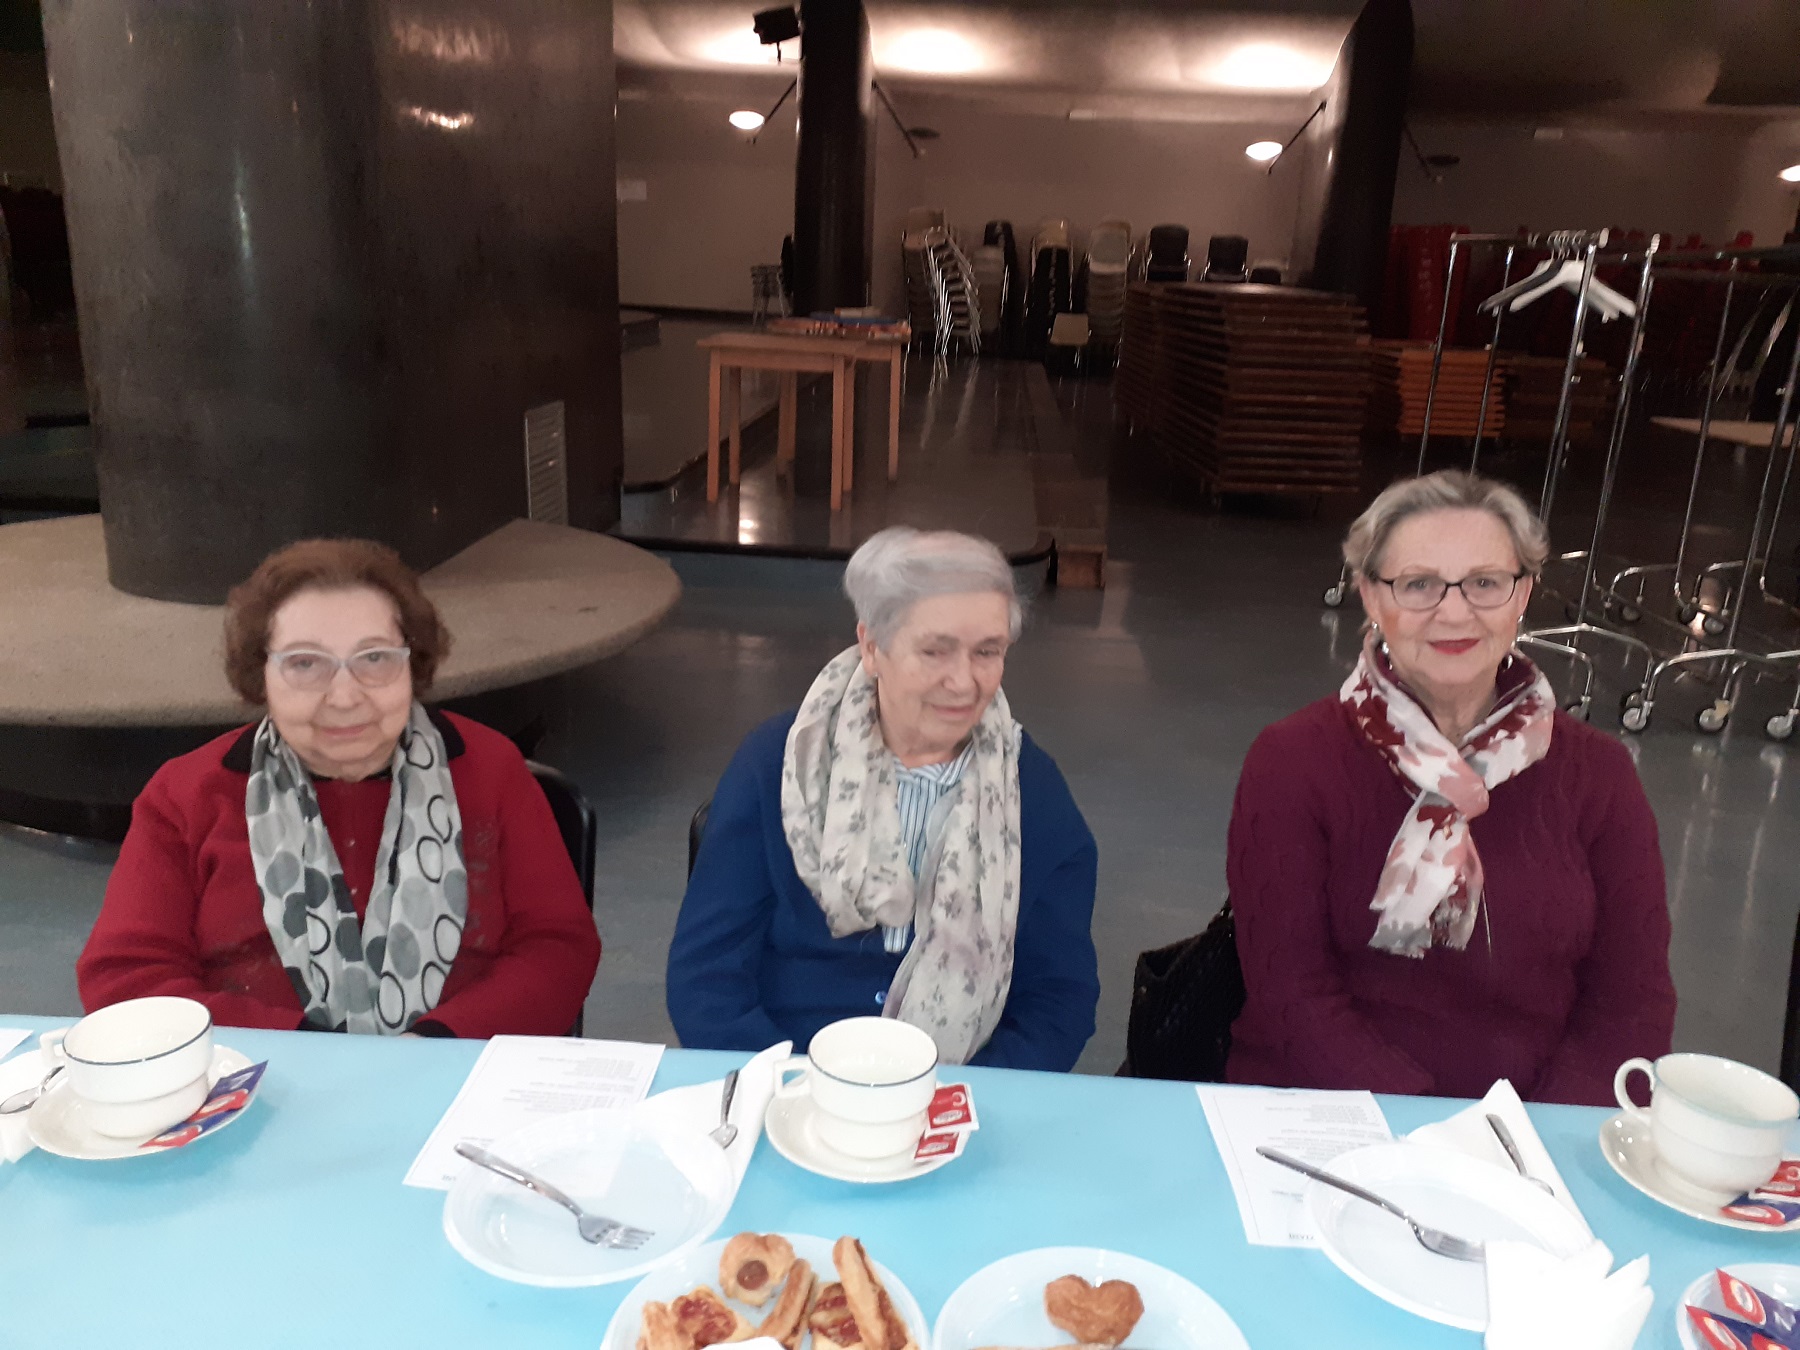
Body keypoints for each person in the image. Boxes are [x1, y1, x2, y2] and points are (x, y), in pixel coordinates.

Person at [1226, 470, 1676, 1106]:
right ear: (1370, 595)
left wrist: (1533, 1132)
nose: (1455, 612)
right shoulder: (1293, 762)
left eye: (1485, 583)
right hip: (1335, 1112)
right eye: (1419, 584)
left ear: (1524, 594)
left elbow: (1632, 1004)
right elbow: (1290, 995)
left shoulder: (1599, 775)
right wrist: (1434, 1134)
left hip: (1538, 1130)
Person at [78, 539, 601, 1037]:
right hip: (250, 1075)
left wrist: (434, 1045)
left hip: (461, 1071)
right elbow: (126, 980)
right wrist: (312, 1052)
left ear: (413, 663)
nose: (345, 697)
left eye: (374, 658)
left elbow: (557, 949)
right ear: (260, 674)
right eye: (306, 663)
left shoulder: (490, 770)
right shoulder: (186, 794)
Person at [666, 527, 1100, 1071]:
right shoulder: (777, 764)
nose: (963, 681)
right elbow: (706, 980)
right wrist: (793, 1089)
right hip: (785, 1078)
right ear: (872, 647)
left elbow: (1059, 999)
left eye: (986, 651)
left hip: (962, 1089)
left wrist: (960, 1100)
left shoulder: (1030, 790)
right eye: (935, 651)